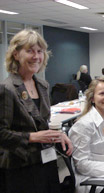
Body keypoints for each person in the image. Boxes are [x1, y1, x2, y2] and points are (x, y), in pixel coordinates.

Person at [0, 29, 73, 193]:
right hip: (20, 166)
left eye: (39, 51)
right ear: (16, 55)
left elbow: (41, 124)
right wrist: (32, 137)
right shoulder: (7, 88)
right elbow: (1, 134)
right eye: (29, 51)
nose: (36, 56)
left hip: (45, 160)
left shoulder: (43, 85)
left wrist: (58, 135)